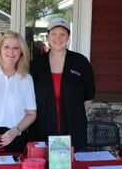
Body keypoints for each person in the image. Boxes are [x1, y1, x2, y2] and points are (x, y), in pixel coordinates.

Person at [30, 17, 95, 152]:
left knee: (74, 168)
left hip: (73, 128)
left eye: (62, 34)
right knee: (44, 167)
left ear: (68, 37)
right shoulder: (37, 64)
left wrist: (74, 114)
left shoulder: (80, 62)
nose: (58, 38)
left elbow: (89, 95)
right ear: (48, 37)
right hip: (43, 126)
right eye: (54, 34)